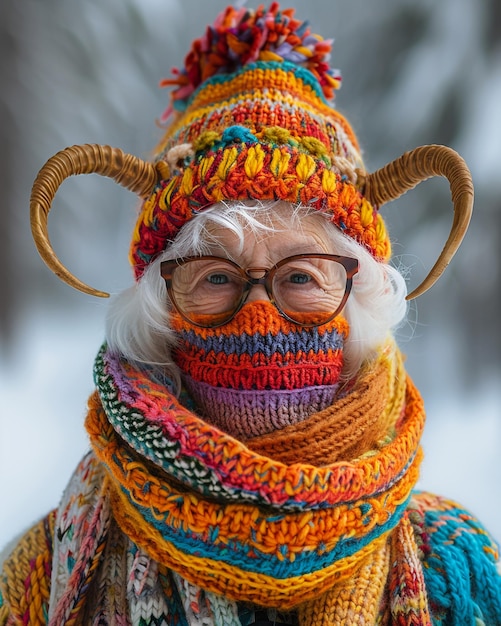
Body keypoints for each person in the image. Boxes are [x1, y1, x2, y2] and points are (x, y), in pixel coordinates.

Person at [1, 4, 500, 625]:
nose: (260, 316)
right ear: (160, 313)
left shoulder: (460, 572)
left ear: (360, 304)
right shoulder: (43, 573)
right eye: (216, 276)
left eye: (300, 276)